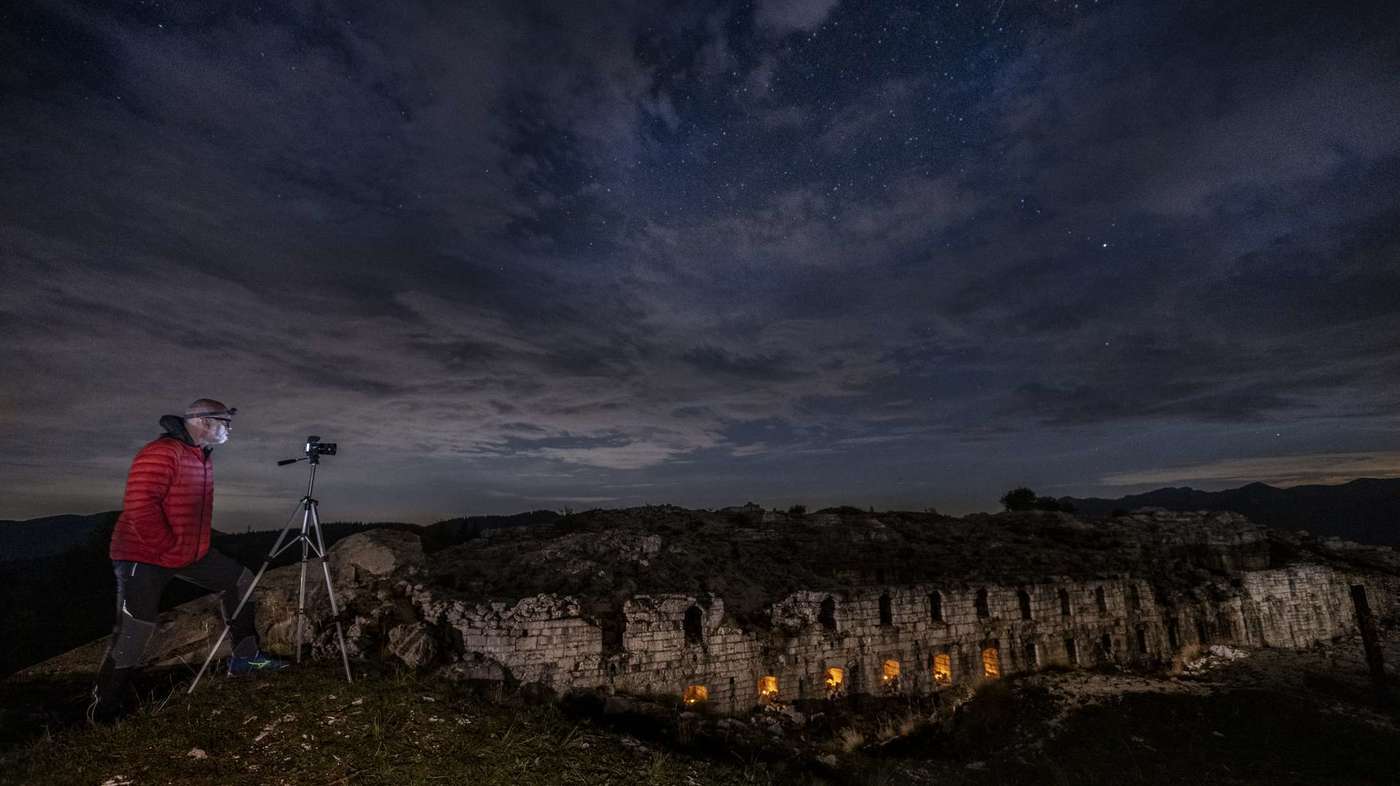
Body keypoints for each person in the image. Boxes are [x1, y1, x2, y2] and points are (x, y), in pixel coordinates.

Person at [89, 399, 287, 724]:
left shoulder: (200, 456)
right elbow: (141, 507)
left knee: (239, 579)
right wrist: (166, 547)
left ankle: (245, 659)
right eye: (225, 422)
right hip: (145, 554)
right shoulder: (162, 452)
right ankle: (105, 711)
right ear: (203, 422)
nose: (230, 429)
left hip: (187, 553)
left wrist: (192, 548)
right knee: (135, 631)